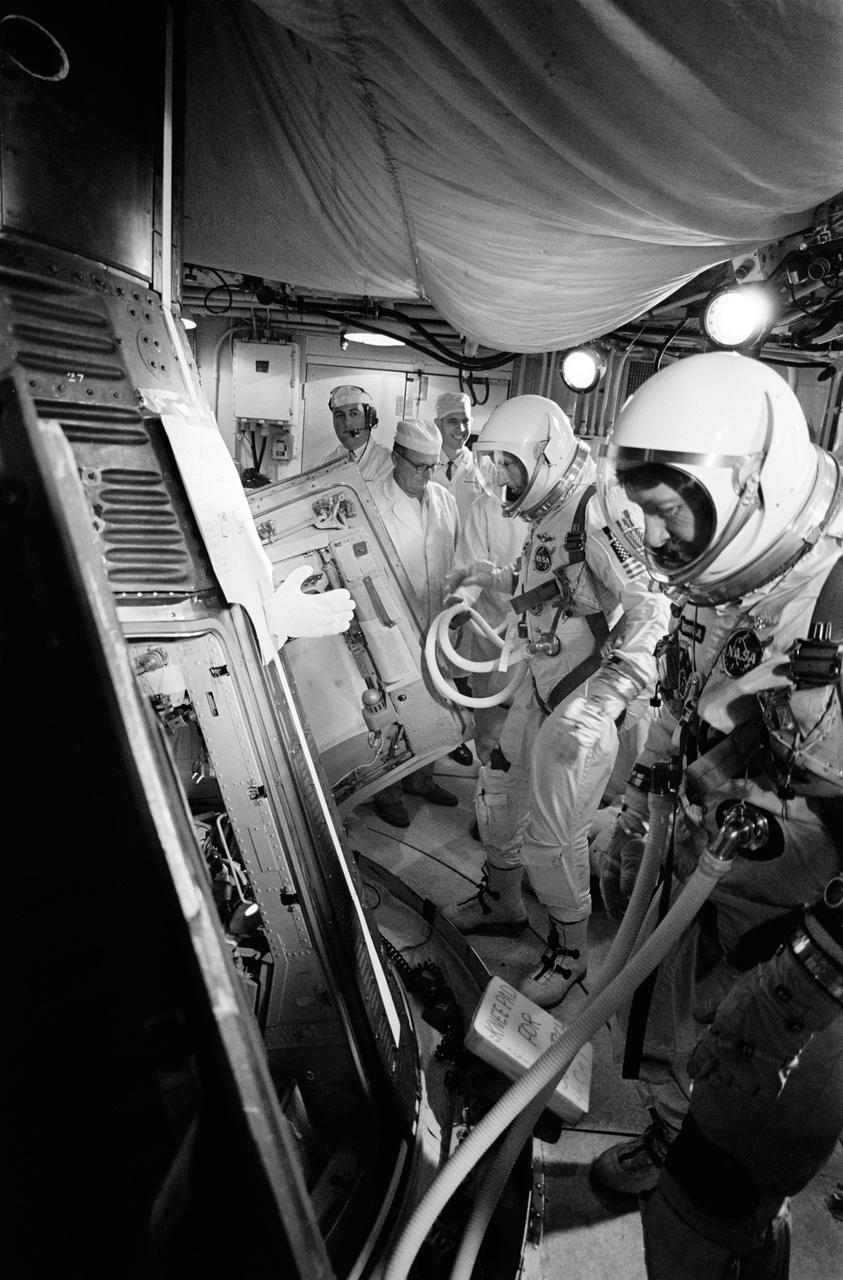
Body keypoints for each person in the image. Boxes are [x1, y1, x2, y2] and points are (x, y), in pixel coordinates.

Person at [585, 351, 843, 1275]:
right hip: (714, 867)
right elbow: (688, 685)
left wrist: (818, 967)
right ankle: (668, 1129)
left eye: (668, 511)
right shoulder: (733, 584)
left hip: (797, 928)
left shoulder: (830, 605)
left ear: (750, 492)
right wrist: (658, 771)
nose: (654, 540)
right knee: (682, 1035)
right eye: (644, 514)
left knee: (723, 1192)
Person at [443, 395, 669, 1007]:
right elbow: (547, 582)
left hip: (586, 693)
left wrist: (610, 696)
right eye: (494, 465)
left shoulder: (598, 509)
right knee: (495, 795)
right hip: (544, 680)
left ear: (544, 455)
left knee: (553, 832)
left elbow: (653, 608)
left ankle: (570, 949)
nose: (500, 479)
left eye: (507, 465)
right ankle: (503, 900)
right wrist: (492, 576)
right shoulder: (548, 513)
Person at [366, 417, 462, 828]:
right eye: (418, 466)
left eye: (432, 466)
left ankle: (422, 779)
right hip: (391, 624)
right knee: (392, 709)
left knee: (436, 702)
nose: (426, 475)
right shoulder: (371, 500)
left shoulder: (443, 499)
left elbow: (452, 555)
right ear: (395, 457)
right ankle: (387, 791)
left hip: (436, 619)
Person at [315, 384, 393, 480]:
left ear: (369, 419)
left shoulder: (387, 461)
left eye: (353, 414)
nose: (347, 422)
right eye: (339, 416)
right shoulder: (324, 462)